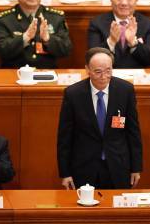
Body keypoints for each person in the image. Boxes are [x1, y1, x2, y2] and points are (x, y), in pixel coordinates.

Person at [57, 47, 143, 189]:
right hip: (84, 167)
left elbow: (133, 132)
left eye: (108, 71)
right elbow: (64, 138)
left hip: (118, 166)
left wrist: (136, 168)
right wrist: (65, 173)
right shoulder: (73, 94)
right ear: (87, 70)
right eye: (98, 72)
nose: (104, 76)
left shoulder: (125, 90)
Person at [0, 0, 71, 68]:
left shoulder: (55, 17)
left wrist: (48, 39)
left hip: (46, 74)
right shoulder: (4, 19)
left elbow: (66, 50)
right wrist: (25, 38)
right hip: (14, 73)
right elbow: (1, 50)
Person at [87, 0, 150, 68]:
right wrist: (111, 42)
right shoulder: (96, 23)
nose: (124, 3)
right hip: (108, 75)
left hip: (136, 76)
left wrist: (133, 43)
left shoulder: (147, 24)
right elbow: (92, 59)